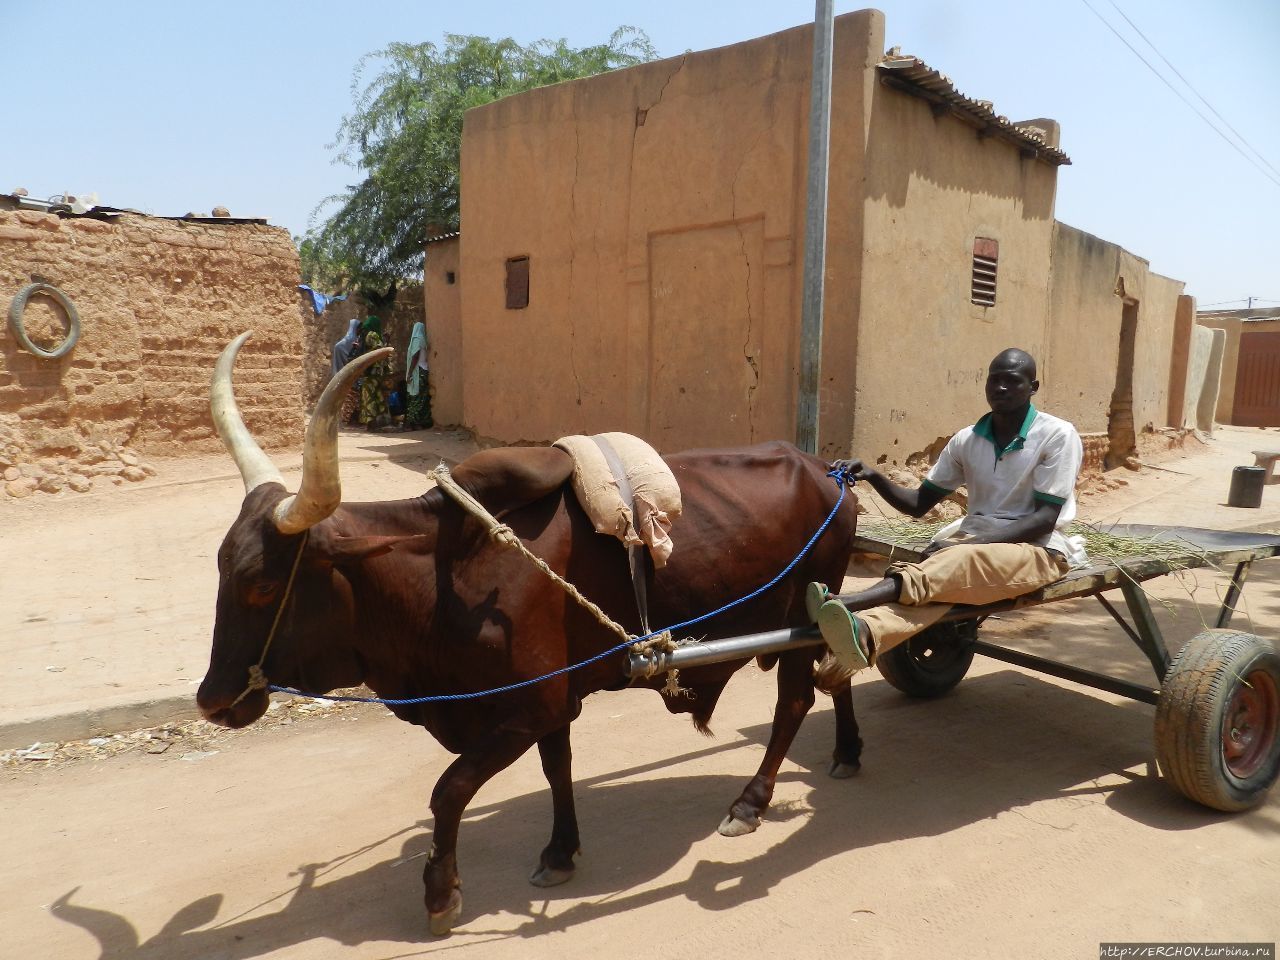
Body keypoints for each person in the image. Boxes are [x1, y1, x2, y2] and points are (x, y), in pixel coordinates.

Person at [813, 347, 1087, 689]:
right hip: (976, 547)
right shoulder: (967, 439)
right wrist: (872, 474)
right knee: (947, 573)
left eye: (1012, 381)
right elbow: (917, 504)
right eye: (995, 379)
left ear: (1033, 387)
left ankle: (849, 602)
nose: (1001, 388)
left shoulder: (1058, 435)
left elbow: (1045, 518)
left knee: (955, 561)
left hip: (1039, 548)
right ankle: (868, 631)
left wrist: (971, 545)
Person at [357, 316, 391, 431]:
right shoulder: (373, 335)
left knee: (369, 396)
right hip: (373, 372)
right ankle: (373, 423)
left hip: (368, 371)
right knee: (374, 396)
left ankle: (370, 422)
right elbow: (378, 349)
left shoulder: (364, 334)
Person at [331, 318, 362, 425]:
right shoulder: (352, 344)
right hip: (351, 377)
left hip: (341, 376)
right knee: (351, 399)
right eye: (358, 328)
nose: (360, 331)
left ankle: (348, 419)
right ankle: (347, 420)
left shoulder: (340, 345)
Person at [404, 320, 433, 430]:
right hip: (424, 370)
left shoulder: (416, 339)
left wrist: (409, 373)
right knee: (423, 398)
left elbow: (415, 356)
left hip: (418, 372)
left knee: (416, 397)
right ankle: (422, 421)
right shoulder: (423, 339)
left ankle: (415, 422)